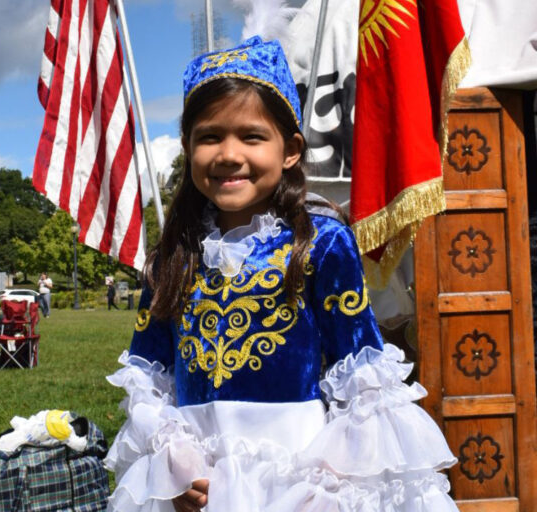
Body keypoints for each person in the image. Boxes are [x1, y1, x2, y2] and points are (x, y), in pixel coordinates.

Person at [104, 37, 458, 512]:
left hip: (297, 481)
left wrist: (328, 482)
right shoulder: (172, 257)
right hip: (199, 483)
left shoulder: (321, 243)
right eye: (209, 137)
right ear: (187, 147)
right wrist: (173, 464)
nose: (228, 154)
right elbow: (148, 377)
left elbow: (363, 379)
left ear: (290, 150)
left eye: (251, 137)